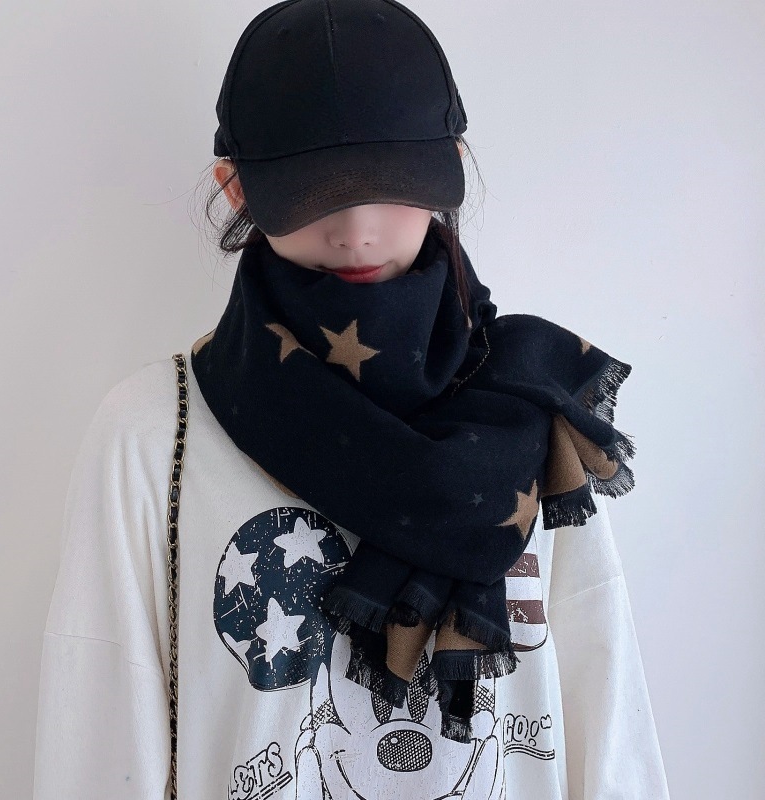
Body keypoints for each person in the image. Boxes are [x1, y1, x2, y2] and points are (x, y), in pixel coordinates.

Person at [33, 1, 671, 798]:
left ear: (452, 167)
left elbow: (603, 707)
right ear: (237, 188)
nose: (357, 229)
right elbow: (99, 731)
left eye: (392, 183)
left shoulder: (534, 405)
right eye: (315, 190)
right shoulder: (154, 434)